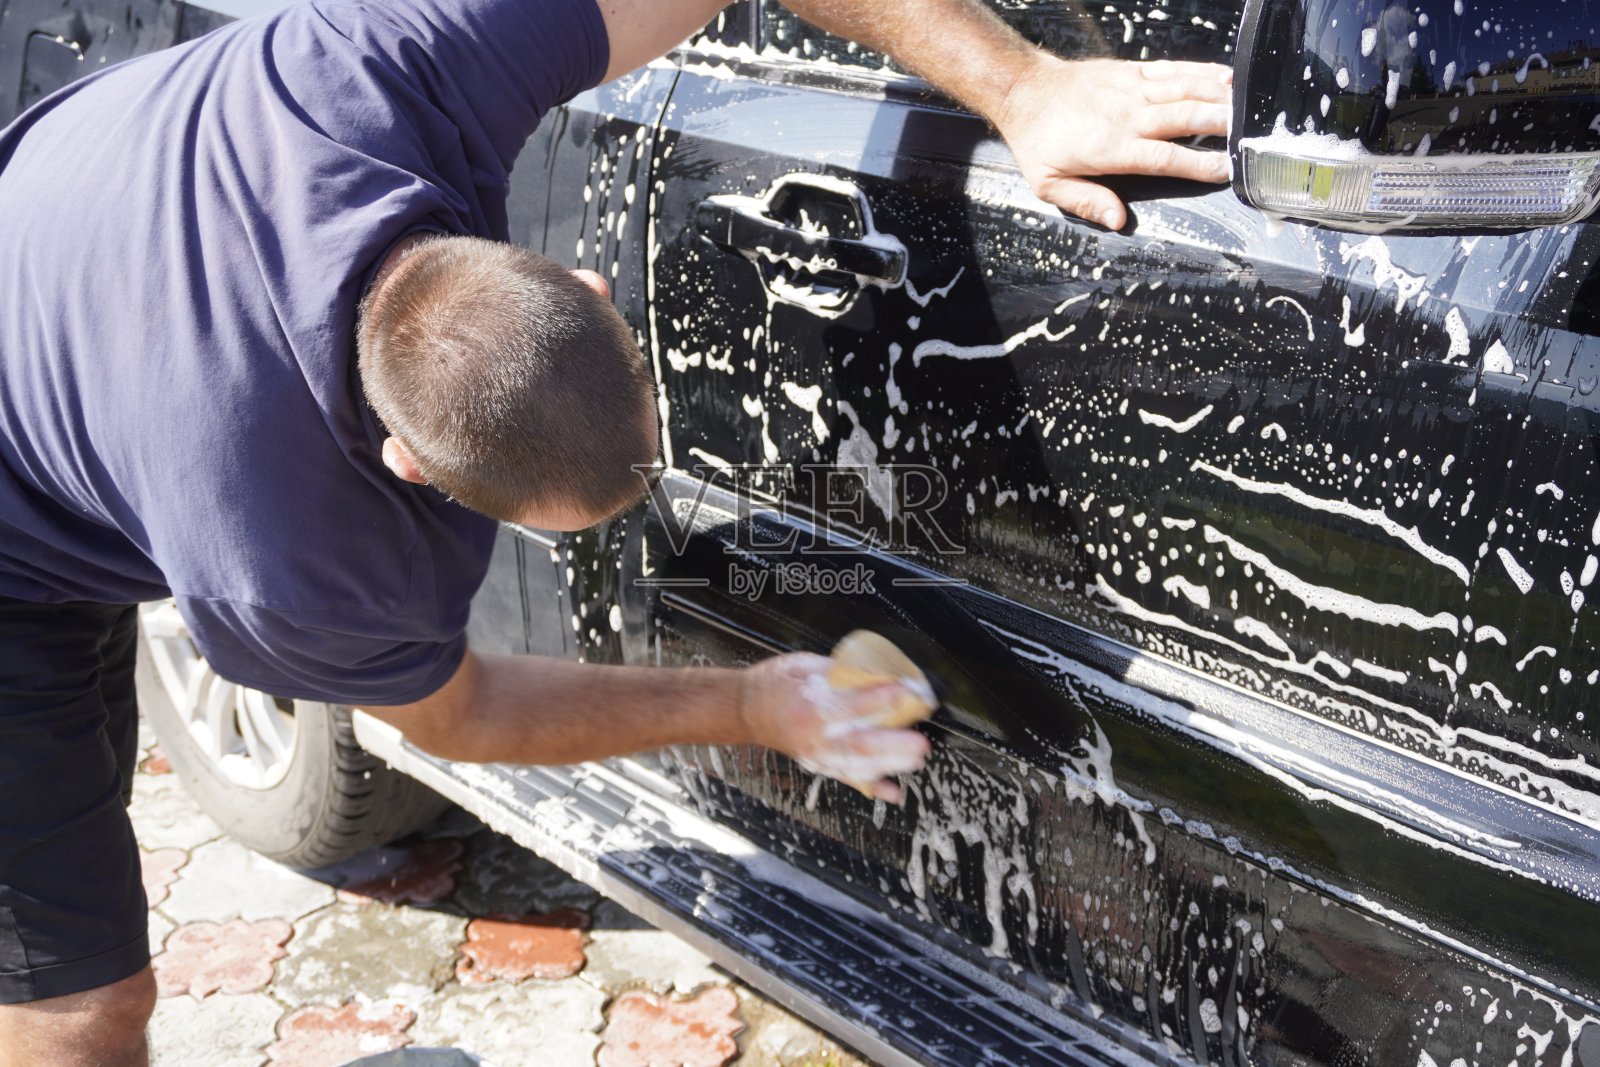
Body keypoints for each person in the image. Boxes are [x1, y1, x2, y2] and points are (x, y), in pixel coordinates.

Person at [0, 0, 1231, 1060]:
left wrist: (1022, 85)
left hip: (63, 283)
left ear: (588, 294)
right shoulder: (289, 557)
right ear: (406, 465)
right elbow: (466, 713)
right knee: (80, 1008)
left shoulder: (399, 63)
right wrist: (751, 704)